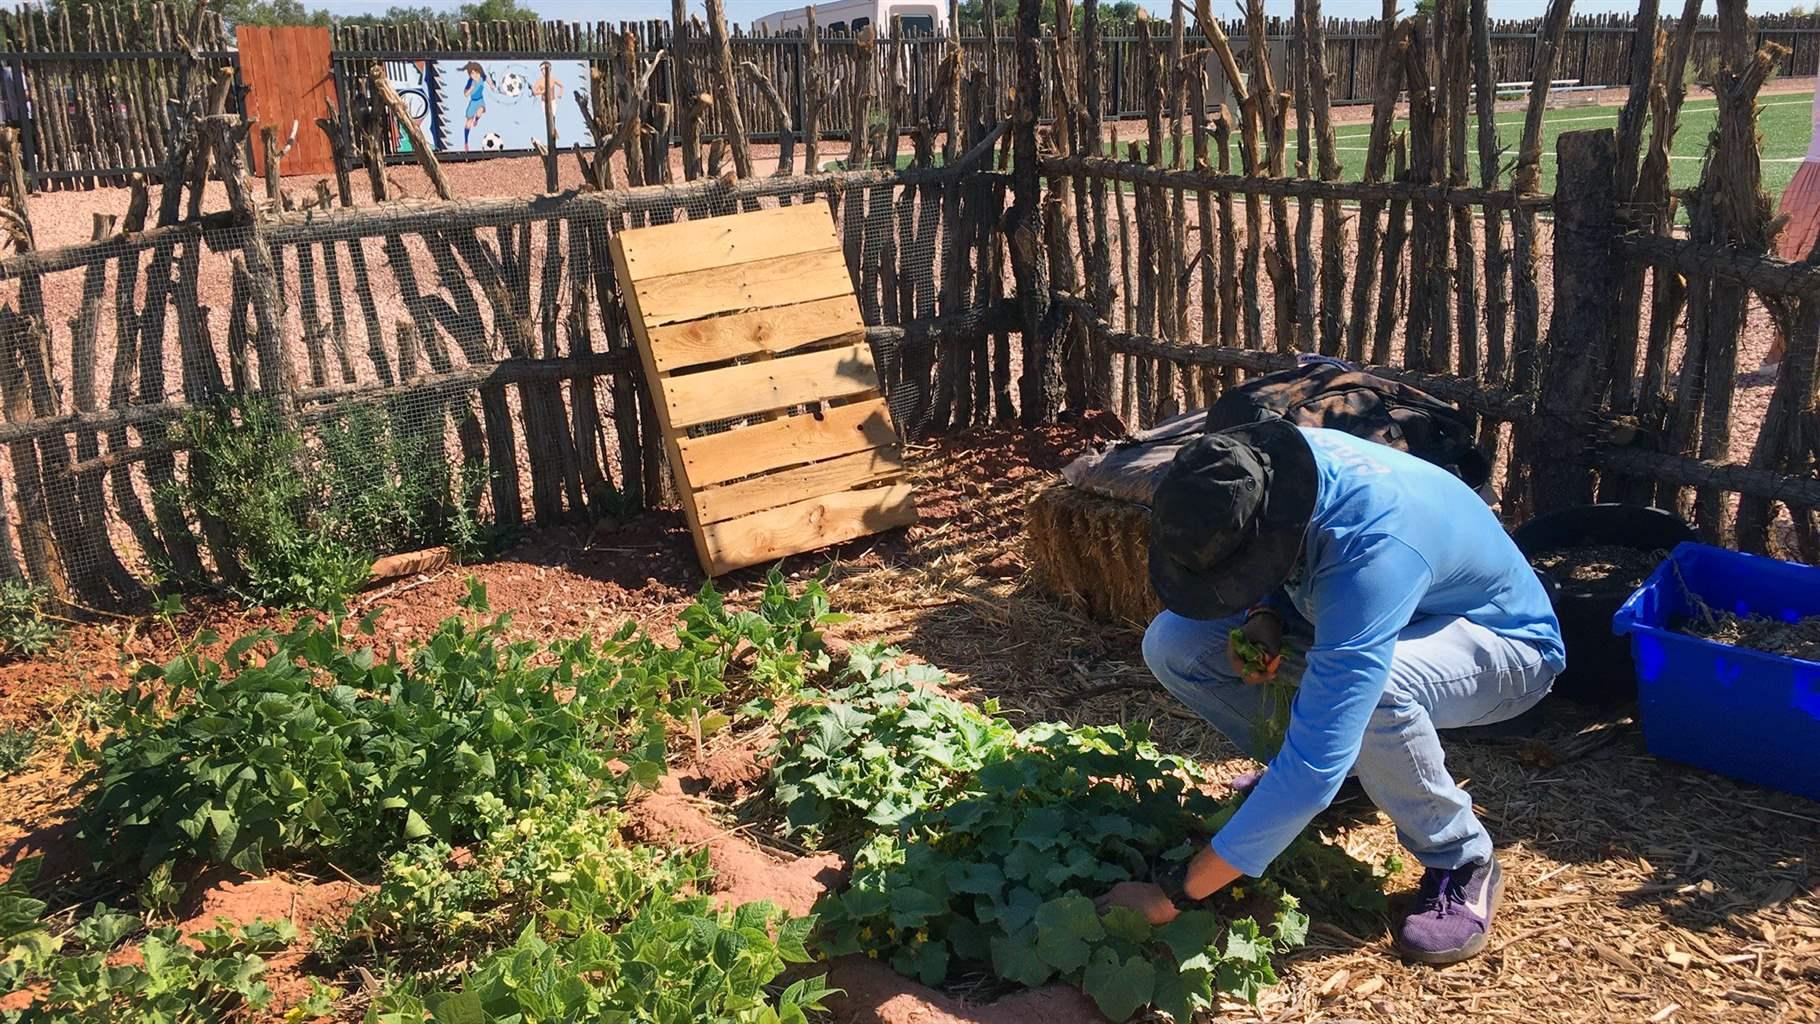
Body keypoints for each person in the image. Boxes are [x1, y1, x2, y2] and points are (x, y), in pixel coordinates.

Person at [1107, 421, 1564, 965]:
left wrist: (1172, 895)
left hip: (1502, 641)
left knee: (1378, 692)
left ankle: (1461, 856)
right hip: (1380, 613)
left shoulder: (1370, 552)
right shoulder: (1266, 470)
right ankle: (1360, 777)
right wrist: (1264, 612)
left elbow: (1312, 766)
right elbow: (1281, 552)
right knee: (1176, 642)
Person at [461, 62, 488, 151]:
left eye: (476, 73)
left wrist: (492, 85)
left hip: (480, 100)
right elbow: (465, 94)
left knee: (480, 111)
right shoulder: (470, 82)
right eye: (472, 74)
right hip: (473, 102)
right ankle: (466, 141)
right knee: (469, 122)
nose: (475, 75)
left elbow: (487, 79)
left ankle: (476, 119)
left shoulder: (482, 78)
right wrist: (471, 89)